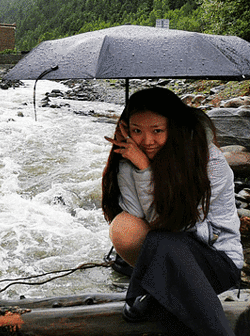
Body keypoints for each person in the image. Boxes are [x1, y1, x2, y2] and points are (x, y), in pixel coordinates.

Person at [102, 87, 243, 336]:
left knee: (163, 239)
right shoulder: (132, 158)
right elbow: (134, 213)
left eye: (157, 131)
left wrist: (145, 169)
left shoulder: (209, 161)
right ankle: (160, 291)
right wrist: (136, 167)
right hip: (166, 253)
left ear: (174, 127)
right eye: (137, 131)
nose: (147, 141)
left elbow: (173, 225)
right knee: (124, 227)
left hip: (216, 261)